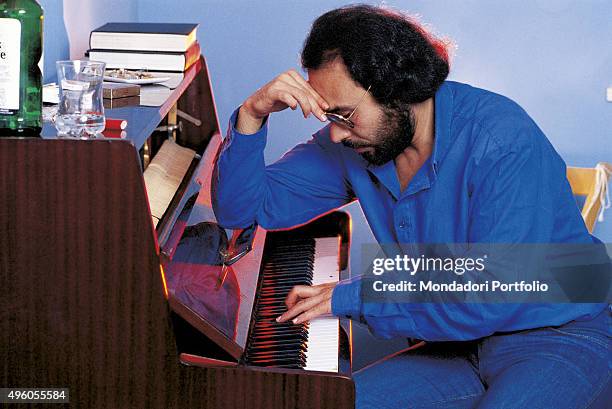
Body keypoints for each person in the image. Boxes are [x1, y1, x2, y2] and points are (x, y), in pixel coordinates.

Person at [212, 5, 610, 408]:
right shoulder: (359, 145)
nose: (333, 133)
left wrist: (353, 297)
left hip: (560, 335)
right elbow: (243, 210)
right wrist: (251, 116)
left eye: (344, 115)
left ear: (399, 90)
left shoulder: (503, 139)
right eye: (328, 114)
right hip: (456, 345)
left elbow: (493, 292)